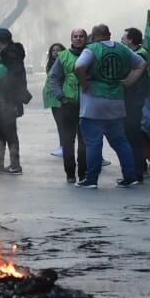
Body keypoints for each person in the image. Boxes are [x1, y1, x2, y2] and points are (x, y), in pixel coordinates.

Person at [73, 24, 145, 188]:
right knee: (120, 141)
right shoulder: (122, 49)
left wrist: (84, 83)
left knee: (93, 143)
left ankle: (91, 179)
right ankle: (130, 176)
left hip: (93, 103)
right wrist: (128, 82)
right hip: (116, 101)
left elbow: (79, 66)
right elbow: (141, 64)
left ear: (93, 35)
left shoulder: (91, 49)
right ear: (109, 34)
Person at [47, 29, 88, 183]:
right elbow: (53, 78)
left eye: (81, 36)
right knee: (67, 141)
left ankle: (83, 173)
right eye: (75, 36)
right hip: (68, 105)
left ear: (85, 38)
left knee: (84, 143)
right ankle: (70, 173)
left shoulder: (91, 54)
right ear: (71, 38)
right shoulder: (63, 56)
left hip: (87, 105)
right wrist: (61, 97)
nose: (78, 39)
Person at [0, 28, 27, 175]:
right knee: (0, 132)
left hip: (7, 101)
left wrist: (1, 85)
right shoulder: (5, 54)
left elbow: (16, 78)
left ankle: (15, 165)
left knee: (9, 132)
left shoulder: (12, 54)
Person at [121, 27, 150, 182]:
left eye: (124, 38)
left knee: (132, 135)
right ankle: (140, 167)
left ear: (131, 40)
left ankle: (137, 170)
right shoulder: (141, 52)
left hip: (134, 100)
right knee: (135, 135)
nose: (121, 40)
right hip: (137, 99)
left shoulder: (138, 55)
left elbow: (132, 78)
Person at [44, 42, 66, 158]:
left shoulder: (63, 63)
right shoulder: (51, 64)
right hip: (53, 99)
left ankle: (64, 147)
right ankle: (62, 146)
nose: (56, 52)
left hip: (60, 98)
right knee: (59, 123)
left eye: (58, 50)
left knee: (62, 124)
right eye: (53, 51)